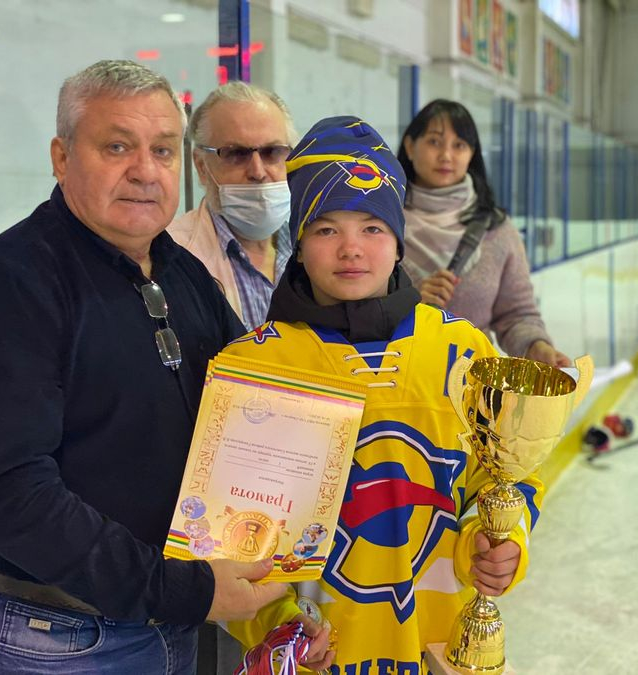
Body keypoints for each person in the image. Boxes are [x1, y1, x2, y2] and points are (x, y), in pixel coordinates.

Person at [0, 60, 286, 674]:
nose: (145, 171)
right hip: (49, 638)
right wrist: (180, 590)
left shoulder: (181, 273)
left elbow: (255, 407)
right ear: (61, 157)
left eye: (162, 150)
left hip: (163, 623)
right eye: (117, 147)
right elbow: (9, 495)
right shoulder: (8, 285)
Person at [220, 116, 544, 673]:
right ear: (298, 244)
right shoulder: (256, 364)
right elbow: (229, 539)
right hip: (322, 656)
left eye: (372, 228)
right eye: (326, 229)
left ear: (399, 242)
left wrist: (500, 539)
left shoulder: (463, 350)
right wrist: (278, 630)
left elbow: (508, 479)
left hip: (442, 648)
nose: (351, 249)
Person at [397, 99, 571, 367]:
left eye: (459, 145)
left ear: (472, 153)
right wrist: (406, 299)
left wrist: (537, 347)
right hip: (394, 378)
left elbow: (516, 315)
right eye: (434, 142)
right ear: (410, 146)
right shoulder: (381, 223)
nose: (446, 155)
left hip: (474, 383)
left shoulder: (496, 229)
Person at [168, 82, 297, 331]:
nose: (258, 172)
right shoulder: (171, 254)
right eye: (236, 153)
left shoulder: (313, 245)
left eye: (272, 152)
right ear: (202, 166)